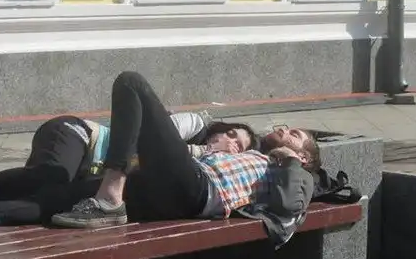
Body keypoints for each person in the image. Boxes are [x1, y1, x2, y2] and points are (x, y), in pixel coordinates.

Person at [0, 107, 259, 234]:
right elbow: (147, 138)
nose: (231, 144)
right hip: (78, 135)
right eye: (231, 134)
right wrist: (200, 145)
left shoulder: (200, 172)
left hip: (82, 173)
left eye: (239, 147)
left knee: (43, 194)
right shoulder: (192, 128)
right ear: (220, 128)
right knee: (50, 177)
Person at [51, 72, 321, 247]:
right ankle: (22, 204)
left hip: (197, 188)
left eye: (295, 135)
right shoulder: (260, 156)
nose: (285, 130)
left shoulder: (302, 175)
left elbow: (289, 204)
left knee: (131, 83)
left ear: (304, 156)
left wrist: (291, 160)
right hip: (174, 188)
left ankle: (110, 198)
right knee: (59, 197)